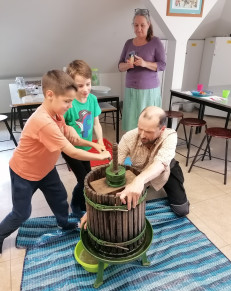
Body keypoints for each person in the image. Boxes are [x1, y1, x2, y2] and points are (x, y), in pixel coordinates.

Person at [0, 70, 111, 255]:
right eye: (67, 101)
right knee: (21, 213)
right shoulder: (43, 121)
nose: (70, 105)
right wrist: (100, 157)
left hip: (46, 169)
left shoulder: (56, 114)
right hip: (24, 173)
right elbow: (72, 151)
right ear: (50, 95)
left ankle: (65, 223)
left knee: (59, 198)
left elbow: (72, 138)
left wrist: (92, 143)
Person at [80, 106, 189, 229]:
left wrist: (138, 181)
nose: (142, 135)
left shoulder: (170, 136)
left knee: (181, 210)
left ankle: (172, 182)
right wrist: (93, 209)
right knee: (124, 201)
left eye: (148, 132)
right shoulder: (129, 137)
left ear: (162, 129)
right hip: (141, 172)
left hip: (166, 171)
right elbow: (115, 165)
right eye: (140, 128)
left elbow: (160, 164)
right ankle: (147, 184)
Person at [62, 60, 105, 218]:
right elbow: (59, 125)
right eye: (80, 86)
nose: (85, 89)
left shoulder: (92, 100)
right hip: (71, 150)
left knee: (87, 176)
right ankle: (77, 205)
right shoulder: (68, 103)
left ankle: (80, 201)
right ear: (71, 85)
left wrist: (99, 141)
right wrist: (68, 127)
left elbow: (96, 123)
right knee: (84, 179)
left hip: (86, 148)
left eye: (88, 84)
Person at [118, 8, 166, 131]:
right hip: (131, 91)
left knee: (148, 124)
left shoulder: (155, 42)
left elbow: (162, 65)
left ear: (148, 25)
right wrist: (128, 65)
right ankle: (133, 147)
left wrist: (145, 64)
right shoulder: (128, 43)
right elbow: (119, 66)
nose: (139, 29)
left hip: (148, 92)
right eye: (136, 25)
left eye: (142, 25)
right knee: (131, 124)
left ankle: (148, 148)